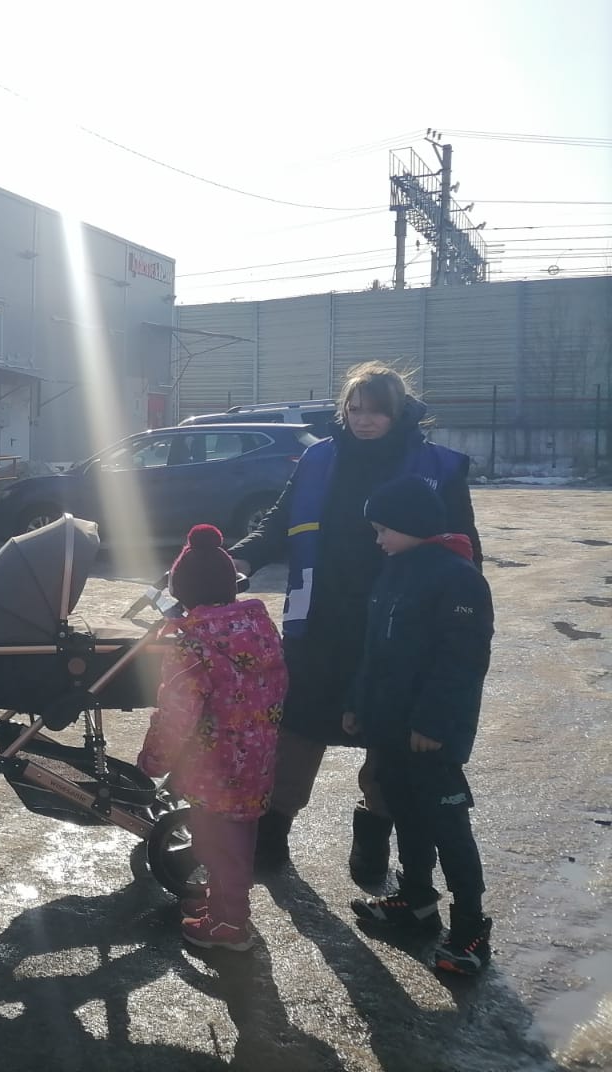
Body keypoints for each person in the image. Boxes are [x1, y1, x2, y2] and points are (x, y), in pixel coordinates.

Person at [227, 362, 481, 881]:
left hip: (398, 630)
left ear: (399, 412)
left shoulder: (438, 467)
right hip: (320, 622)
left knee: (387, 741)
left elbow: (464, 548)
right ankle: (273, 833)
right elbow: (278, 522)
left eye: (377, 411)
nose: (364, 420)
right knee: (299, 729)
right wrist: (238, 558)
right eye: (354, 409)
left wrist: (458, 611)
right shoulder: (319, 458)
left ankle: (373, 838)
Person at [345, 475, 494, 975]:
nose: (378, 539)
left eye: (384, 529)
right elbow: (372, 649)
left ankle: (470, 927)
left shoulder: (458, 578)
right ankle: (416, 900)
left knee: (447, 825)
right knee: (406, 813)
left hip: (431, 734)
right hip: (389, 726)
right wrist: (357, 703)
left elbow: (462, 662)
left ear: (412, 524)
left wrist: (433, 721)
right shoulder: (394, 571)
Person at [138, 524, 288, 953]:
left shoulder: (192, 644)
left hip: (214, 765)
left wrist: (153, 760)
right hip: (257, 758)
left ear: (181, 592)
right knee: (237, 841)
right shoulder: (259, 628)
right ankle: (222, 904)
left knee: (218, 847)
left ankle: (230, 925)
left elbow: (177, 714)